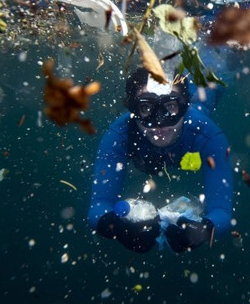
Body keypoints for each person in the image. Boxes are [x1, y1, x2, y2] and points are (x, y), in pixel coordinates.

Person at [87, 67, 233, 253]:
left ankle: (226, 61)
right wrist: (117, 228)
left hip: (202, 97)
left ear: (185, 106)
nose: (159, 122)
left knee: (211, 83)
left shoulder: (206, 135)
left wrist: (203, 231)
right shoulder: (120, 134)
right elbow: (99, 205)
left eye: (170, 106)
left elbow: (222, 212)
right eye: (146, 108)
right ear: (133, 109)